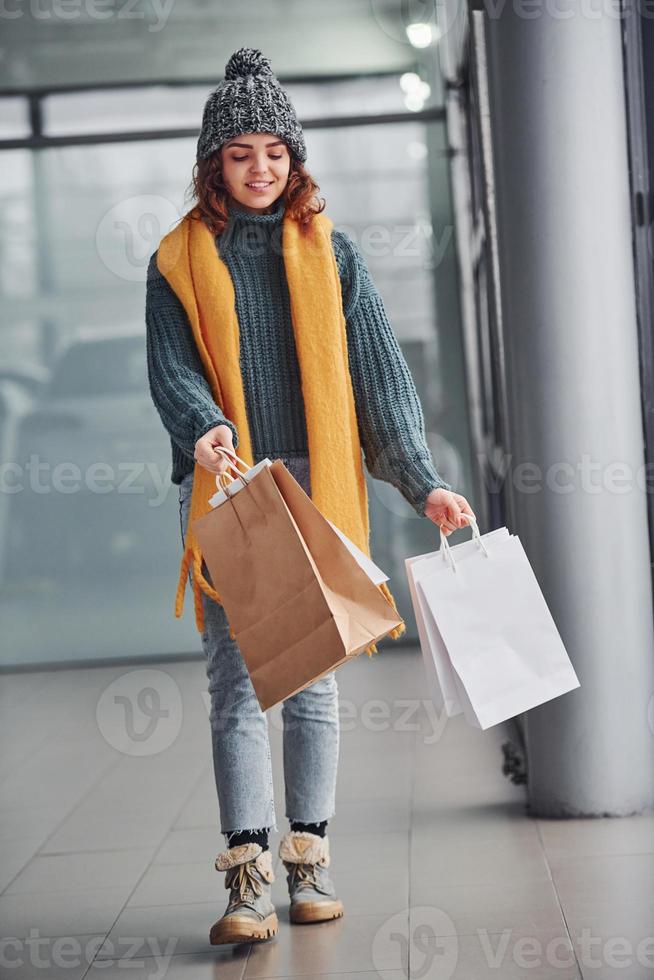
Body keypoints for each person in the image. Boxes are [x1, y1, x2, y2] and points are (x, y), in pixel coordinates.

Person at [145, 46, 475, 946]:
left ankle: (309, 858)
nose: (260, 168)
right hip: (230, 484)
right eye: (241, 152)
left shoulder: (334, 255)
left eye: (276, 152)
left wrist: (425, 481)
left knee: (316, 679)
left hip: (316, 482)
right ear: (214, 161)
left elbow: (377, 378)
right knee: (237, 684)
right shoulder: (177, 259)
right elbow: (171, 367)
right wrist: (202, 423)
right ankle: (245, 876)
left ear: (296, 161)